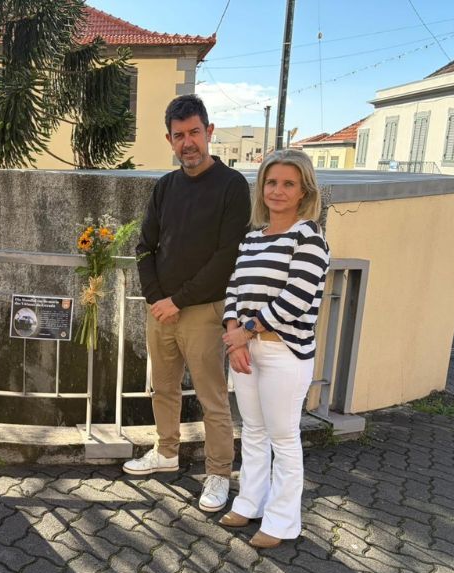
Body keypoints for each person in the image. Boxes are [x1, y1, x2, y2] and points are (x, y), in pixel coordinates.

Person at [124, 94, 251, 514]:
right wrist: (157, 298)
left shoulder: (232, 186)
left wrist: (177, 300)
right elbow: (145, 247)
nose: (188, 143)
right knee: (163, 389)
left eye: (195, 132)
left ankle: (218, 473)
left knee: (213, 397)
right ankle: (165, 452)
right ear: (169, 139)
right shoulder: (165, 187)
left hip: (204, 311)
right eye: (179, 136)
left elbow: (227, 256)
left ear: (209, 132)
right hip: (161, 310)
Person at [220, 149, 330, 549]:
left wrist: (244, 333)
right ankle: (250, 502)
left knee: (283, 437)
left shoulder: (309, 237)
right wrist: (234, 334)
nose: (277, 191)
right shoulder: (252, 238)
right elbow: (234, 289)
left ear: (303, 192)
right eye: (271, 182)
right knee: (251, 431)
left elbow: (295, 299)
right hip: (246, 349)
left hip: (285, 352)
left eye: (288, 183)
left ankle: (283, 522)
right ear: (261, 187)